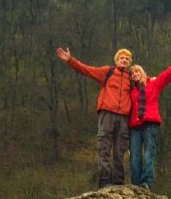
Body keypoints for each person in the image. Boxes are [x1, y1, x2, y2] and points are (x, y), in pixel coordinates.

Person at [56, 46, 132, 187]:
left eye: (127, 59)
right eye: (122, 58)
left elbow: (145, 84)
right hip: (107, 114)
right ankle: (104, 183)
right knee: (104, 147)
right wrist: (70, 60)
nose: (124, 60)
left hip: (123, 118)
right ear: (116, 60)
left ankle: (119, 184)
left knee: (120, 151)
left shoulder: (130, 78)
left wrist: (151, 79)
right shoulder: (107, 72)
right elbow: (87, 70)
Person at [128, 53, 171, 190]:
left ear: (142, 73)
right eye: (132, 73)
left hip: (149, 124)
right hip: (134, 127)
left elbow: (167, 75)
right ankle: (135, 185)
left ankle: (146, 183)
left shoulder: (152, 84)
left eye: (137, 71)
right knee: (134, 156)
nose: (134, 74)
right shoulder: (129, 91)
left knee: (148, 154)